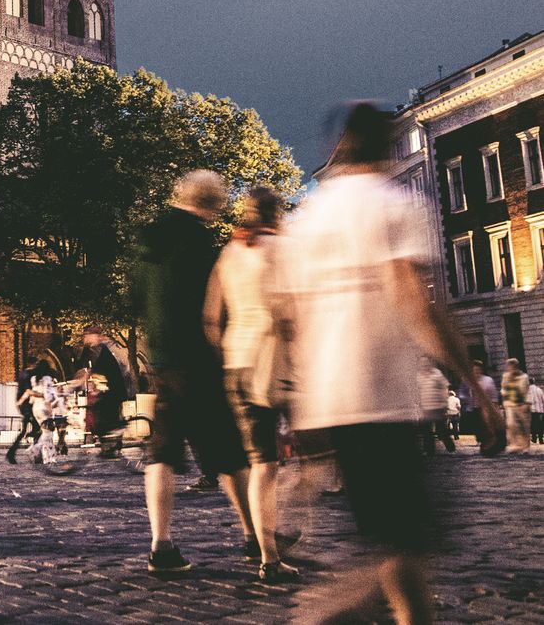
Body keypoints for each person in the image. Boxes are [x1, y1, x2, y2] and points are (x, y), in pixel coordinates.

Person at [278, 103, 503, 625]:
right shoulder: (394, 206)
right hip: (382, 395)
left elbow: (290, 320)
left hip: (330, 400)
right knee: (408, 544)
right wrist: (473, 387)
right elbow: (415, 300)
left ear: (336, 150)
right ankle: (320, 616)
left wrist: (301, 399)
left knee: (392, 542)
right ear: (386, 147)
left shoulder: (304, 221)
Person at [136, 169, 256, 577]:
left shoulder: (148, 236)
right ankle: (255, 535)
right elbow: (216, 306)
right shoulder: (202, 241)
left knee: (163, 454)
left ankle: (161, 544)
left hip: (162, 359)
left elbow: (134, 297)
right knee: (230, 451)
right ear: (212, 203)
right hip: (200, 360)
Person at [202, 187, 298, 583]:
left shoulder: (229, 251)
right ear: (277, 214)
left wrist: (227, 349)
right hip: (273, 362)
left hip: (235, 362)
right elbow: (290, 310)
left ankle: (268, 554)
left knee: (261, 462)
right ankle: (284, 526)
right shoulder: (280, 249)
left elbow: (210, 317)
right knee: (310, 451)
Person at [69, 325, 128, 458]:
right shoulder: (96, 349)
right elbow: (93, 371)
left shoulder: (100, 349)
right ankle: (109, 444)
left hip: (114, 389)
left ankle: (115, 436)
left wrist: (79, 382)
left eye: (88, 335)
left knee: (99, 412)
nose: (86, 338)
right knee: (98, 414)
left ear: (95, 335)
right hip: (110, 389)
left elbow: (93, 371)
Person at [6, 355, 44, 464]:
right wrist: (43, 395)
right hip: (26, 406)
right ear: (32, 364)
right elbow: (28, 391)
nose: (37, 366)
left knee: (32, 428)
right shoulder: (27, 375)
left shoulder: (25, 373)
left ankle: (13, 453)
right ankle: (34, 453)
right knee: (35, 428)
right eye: (36, 364)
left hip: (26, 405)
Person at [416, 358, 454, 455]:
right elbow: (418, 391)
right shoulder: (419, 376)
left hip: (438, 406)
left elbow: (445, 387)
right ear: (420, 364)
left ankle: (451, 448)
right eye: (422, 363)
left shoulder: (437, 373)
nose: (424, 364)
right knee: (426, 430)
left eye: (426, 362)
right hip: (426, 407)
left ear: (430, 363)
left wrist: (445, 402)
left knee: (441, 429)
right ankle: (429, 450)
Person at [500, 359, 531, 454]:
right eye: (509, 366)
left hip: (522, 404)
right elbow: (503, 390)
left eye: (512, 366)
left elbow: (525, 390)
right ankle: (514, 445)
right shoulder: (505, 376)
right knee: (511, 425)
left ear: (516, 367)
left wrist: (526, 403)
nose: (510, 368)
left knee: (524, 426)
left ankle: (525, 447)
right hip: (510, 404)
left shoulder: (524, 377)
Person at [529, 378, 544, 445]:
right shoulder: (539, 390)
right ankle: (541, 439)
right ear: (534, 382)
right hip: (540, 411)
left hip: (532, 411)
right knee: (540, 425)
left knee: (533, 425)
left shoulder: (528, 390)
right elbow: (543, 399)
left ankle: (534, 438)